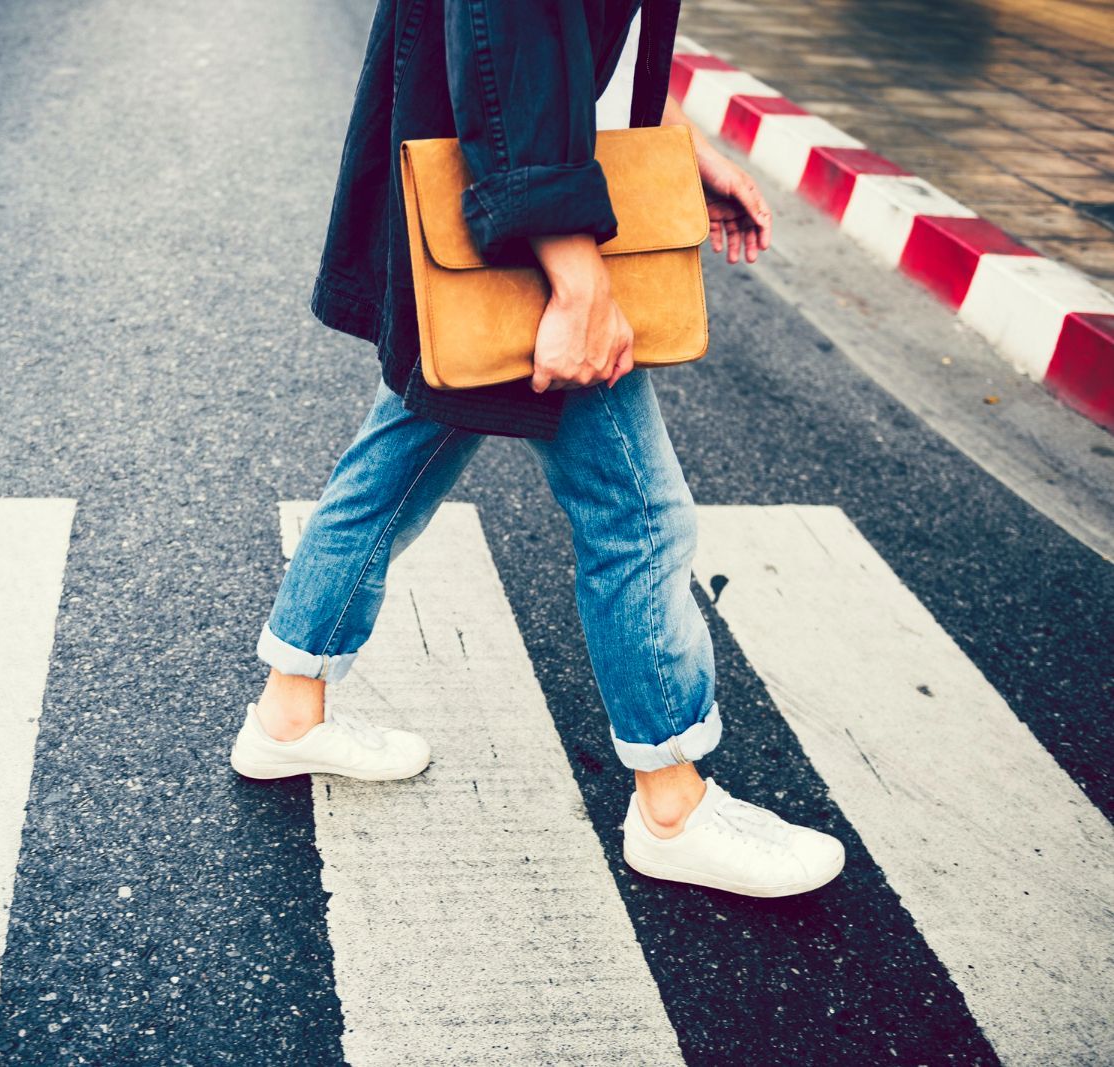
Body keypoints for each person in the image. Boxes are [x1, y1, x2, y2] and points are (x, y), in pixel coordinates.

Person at [229, 0, 845, 898]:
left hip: (505, 201)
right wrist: (579, 275)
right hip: (523, 220)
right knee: (638, 515)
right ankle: (673, 808)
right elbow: (507, 42)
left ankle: (289, 712)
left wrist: (667, 144)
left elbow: (579, 44)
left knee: (400, 456)